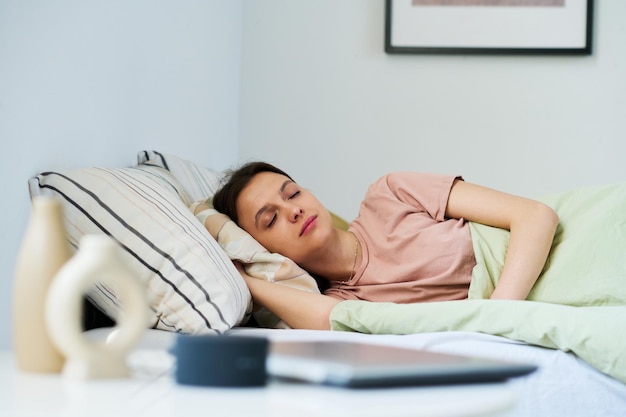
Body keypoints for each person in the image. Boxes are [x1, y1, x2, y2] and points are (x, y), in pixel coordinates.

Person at [211, 162, 559, 331]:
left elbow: (535, 215)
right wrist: (249, 281)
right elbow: (326, 320)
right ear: (262, 248)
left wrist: (499, 313)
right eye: (270, 220)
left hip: (570, 237)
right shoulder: (342, 302)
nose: (294, 210)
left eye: (293, 193)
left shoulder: (389, 194)